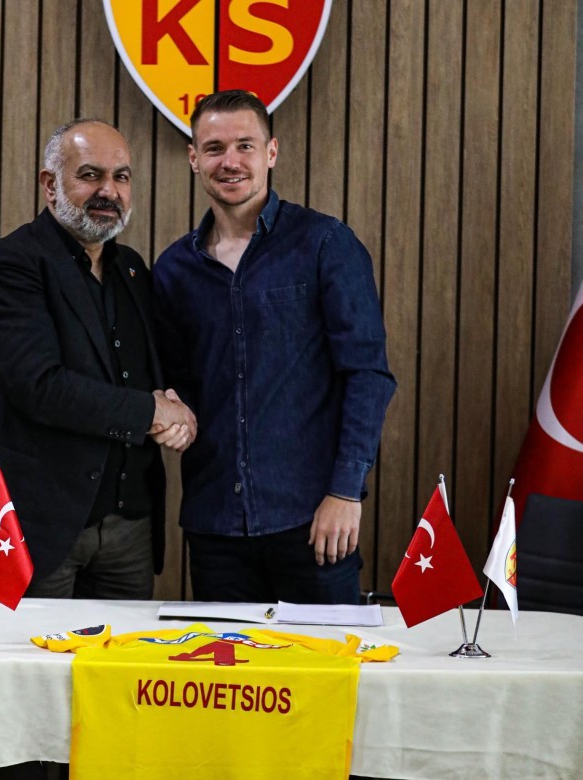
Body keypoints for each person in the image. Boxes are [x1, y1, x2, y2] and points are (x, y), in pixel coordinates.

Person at [153, 91, 396, 604]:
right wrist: (171, 413)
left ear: (271, 152)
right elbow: (177, 383)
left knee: (323, 659)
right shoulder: (173, 270)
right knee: (226, 659)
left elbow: (368, 376)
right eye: (214, 148)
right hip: (216, 526)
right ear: (194, 158)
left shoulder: (325, 244)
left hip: (314, 520)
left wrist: (346, 491)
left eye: (245, 145)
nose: (231, 161)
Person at [0, 118, 196, 601]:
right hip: (30, 528)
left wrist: (176, 415)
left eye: (121, 177)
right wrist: (152, 412)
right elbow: (41, 388)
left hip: (128, 529)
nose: (109, 191)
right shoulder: (9, 266)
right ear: (50, 185)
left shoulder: (131, 270)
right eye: (90, 175)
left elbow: (148, 378)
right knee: (23, 655)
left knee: (118, 655)